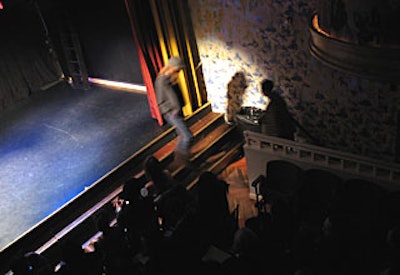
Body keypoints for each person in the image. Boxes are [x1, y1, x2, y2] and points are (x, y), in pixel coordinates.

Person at [154, 56, 193, 162]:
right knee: (187, 136)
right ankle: (182, 158)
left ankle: (179, 157)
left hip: (176, 111)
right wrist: (171, 111)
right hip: (172, 113)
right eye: (177, 70)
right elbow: (161, 100)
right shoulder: (162, 81)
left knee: (182, 134)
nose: (178, 72)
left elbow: (175, 96)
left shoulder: (169, 78)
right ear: (172, 67)